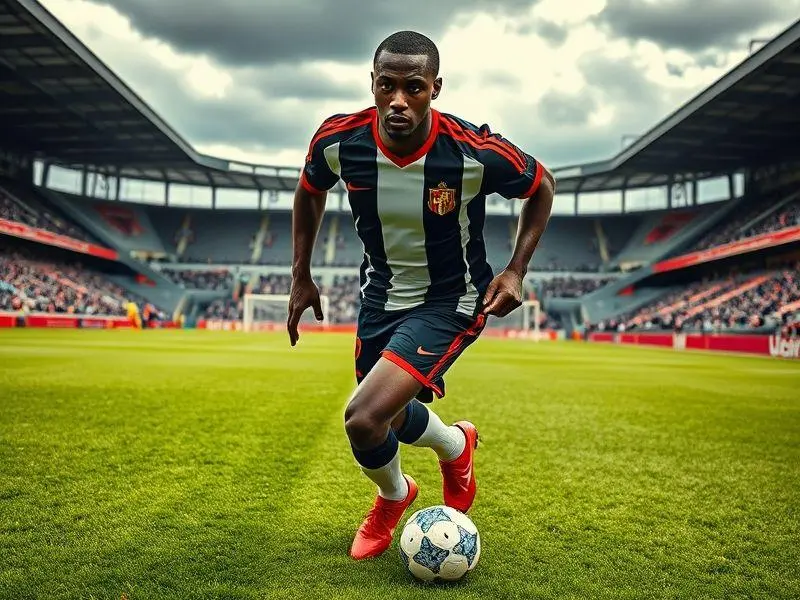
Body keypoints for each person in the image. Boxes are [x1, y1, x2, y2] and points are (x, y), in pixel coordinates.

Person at [288, 30, 555, 560]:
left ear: (436, 88)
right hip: (380, 296)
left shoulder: (472, 151)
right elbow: (309, 191)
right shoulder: (340, 142)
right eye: (386, 86)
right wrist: (301, 273)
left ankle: (391, 498)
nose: (398, 101)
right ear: (372, 83)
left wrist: (516, 270)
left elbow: (541, 186)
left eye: (414, 87)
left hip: (451, 300)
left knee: (363, 418)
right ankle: (457, 445)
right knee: (383, 421)